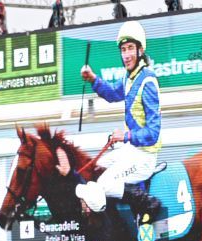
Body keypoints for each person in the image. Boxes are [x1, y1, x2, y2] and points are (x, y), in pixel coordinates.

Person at [58, 20, 161, 221]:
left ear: (140, 50)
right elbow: (113, 93)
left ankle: (146, 203)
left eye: (130, 48)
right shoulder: (128, 77)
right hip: (131, 150)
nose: (126, 55)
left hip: (145, 157)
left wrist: (125, 136)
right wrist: (93, 79)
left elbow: (153, 132)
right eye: (123, 49)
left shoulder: (147, 81)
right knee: (95, 170)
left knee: (104, 183)